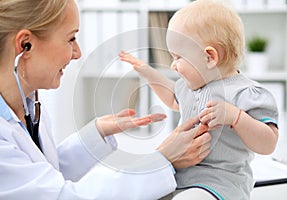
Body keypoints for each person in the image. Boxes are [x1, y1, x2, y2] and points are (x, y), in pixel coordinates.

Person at [0, 0, 213, 199]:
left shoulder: (29, 108)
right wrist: (162, 160)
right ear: (25, 44)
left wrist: (96, 133)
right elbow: (63, 197)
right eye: (71, 38)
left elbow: (45, 176)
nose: (77, 53)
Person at [119, 0, 279, 199]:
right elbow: (171, 97)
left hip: (220, 181)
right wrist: (146, 71)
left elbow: (268, 143)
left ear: (210, 57)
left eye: (177, 57)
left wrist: (236, 117)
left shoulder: (245, 93)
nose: (173, 66)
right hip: (180, 176)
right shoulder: (189, 87)